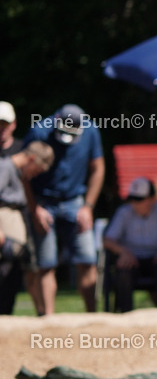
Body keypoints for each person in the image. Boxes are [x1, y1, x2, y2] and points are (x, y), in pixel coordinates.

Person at [23, 104, 105, 315]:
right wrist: (35, 209)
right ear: (56, 120)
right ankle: (48, 320)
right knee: (46, 263)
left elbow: (98, 168)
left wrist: (88, 206)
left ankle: (92, 317)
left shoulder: (91, 131)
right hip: (44, 202)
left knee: (87, 260)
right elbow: (24, 173)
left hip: (75, 202)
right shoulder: (39, 131)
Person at [102, 177, 157, 313]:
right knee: (123, 272)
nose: (135, 203)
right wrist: (122, 251)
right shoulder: (124, 212)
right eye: (133, 199)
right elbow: (107, 240)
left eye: (140, 199)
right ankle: (123, 316)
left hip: (156, 258)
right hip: (132, 259)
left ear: (153, 199)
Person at [0, 141, 53, 314]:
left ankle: (6, 312)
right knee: (6, 269)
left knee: (14, 272)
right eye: (36, 170)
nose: (34, 174)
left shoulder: (16, 172)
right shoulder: (5, 167)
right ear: (31, 158)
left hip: (14, 223)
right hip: (4, 224)